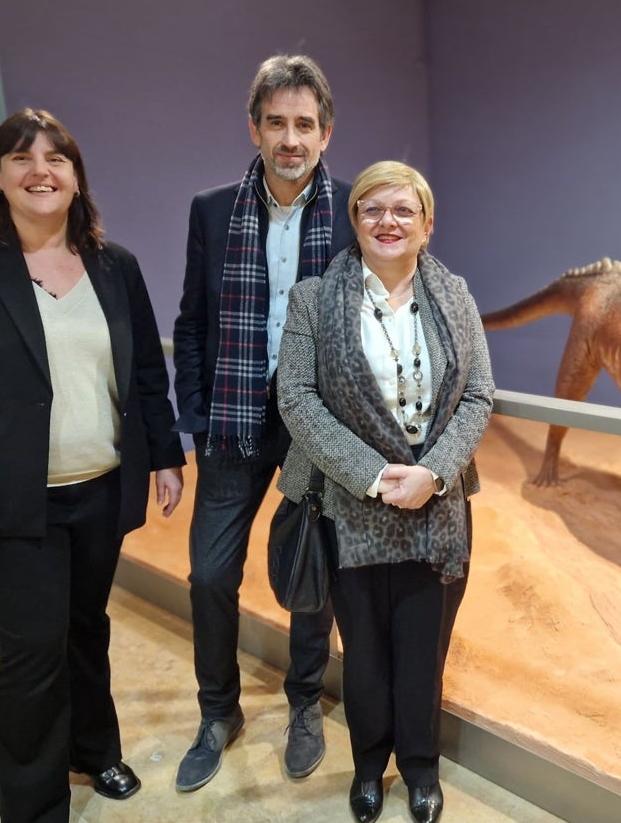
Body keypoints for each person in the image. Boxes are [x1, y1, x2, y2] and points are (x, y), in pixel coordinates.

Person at [0, 108, 185, 822]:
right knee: (32, 650)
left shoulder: (112, 264)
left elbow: (146, 371)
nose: (41, 170)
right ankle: (34, 805)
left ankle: (93, 747)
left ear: (76, 175)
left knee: (85, 625)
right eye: (21, 158)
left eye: (57, 157)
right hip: (3, 500)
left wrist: (165, 455)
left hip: (99, 489)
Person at [276, 160, 494, 823]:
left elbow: (480, 394)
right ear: (355, 221)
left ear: (427, 225)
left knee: (422, 654)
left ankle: (421, 768)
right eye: (372, 208)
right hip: (350, 507)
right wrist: (372, 474)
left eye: (403, 210)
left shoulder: (456, 296)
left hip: (437, 509)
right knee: (365, 654)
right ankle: (370, 764)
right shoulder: (313, 298)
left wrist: (435, 472)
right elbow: (297, 397)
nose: (387, 221)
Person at [171, 53, 355, 791]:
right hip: (234, 419)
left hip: (318, 421)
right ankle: (218, 711)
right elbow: (191, 321)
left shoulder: (352, 211)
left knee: (316, 571)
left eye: (304, 124)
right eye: (275, 122)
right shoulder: (212, 210)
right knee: (210, 573)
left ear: (326, 133)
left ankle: (304, 700)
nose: (290, 137)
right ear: (254, 127)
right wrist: (197, 413)